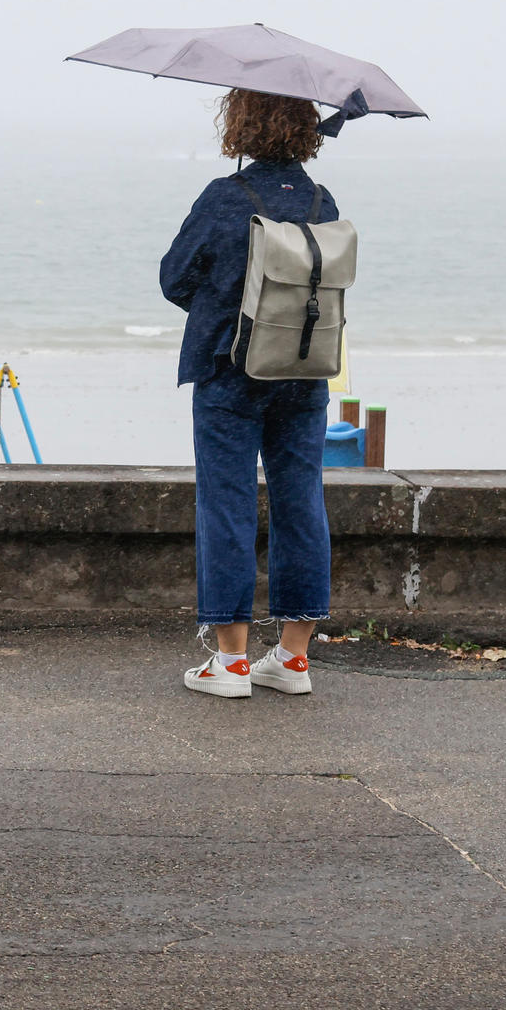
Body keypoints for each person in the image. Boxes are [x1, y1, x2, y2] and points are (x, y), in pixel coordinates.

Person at [158, 90, 340, 700]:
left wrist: (223, 307)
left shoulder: (224, 197)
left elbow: (174, 277)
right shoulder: (321, 200)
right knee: (301, 502)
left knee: (226, 505)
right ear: (308, 130)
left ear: (240, 125)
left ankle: (231, 664)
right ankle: (292, 659)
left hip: (230, 373)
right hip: (304, 370)